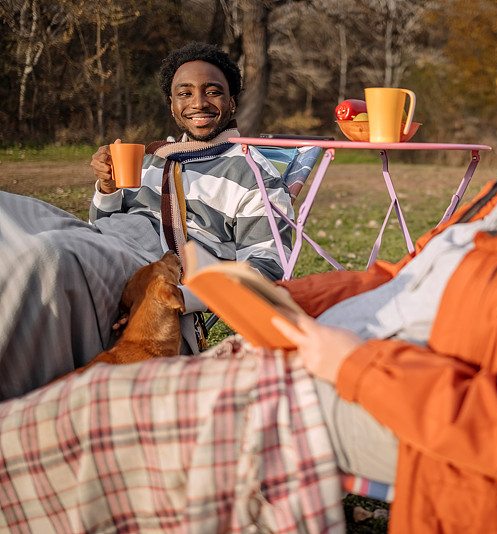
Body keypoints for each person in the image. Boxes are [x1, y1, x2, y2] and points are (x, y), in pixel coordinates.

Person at [0, 9, 497, 534]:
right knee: (84, 400)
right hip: (325, 357)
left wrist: (348, 361)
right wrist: (277, 299)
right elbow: (404, 273)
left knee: (82, 424)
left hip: (369, 397)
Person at [0, 42, 293, 400]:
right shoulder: (153, 158)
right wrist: (108, 189)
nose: (198, 102)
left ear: (232, 102)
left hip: (150, 267)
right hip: (102, 239)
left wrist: (177, 296)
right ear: (172, 105)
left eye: (213, 91)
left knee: (45, 254)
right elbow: (103, 223)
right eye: (185, 93)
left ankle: (19, 403)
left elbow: (267, 269)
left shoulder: (253, 175)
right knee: (7, 212)